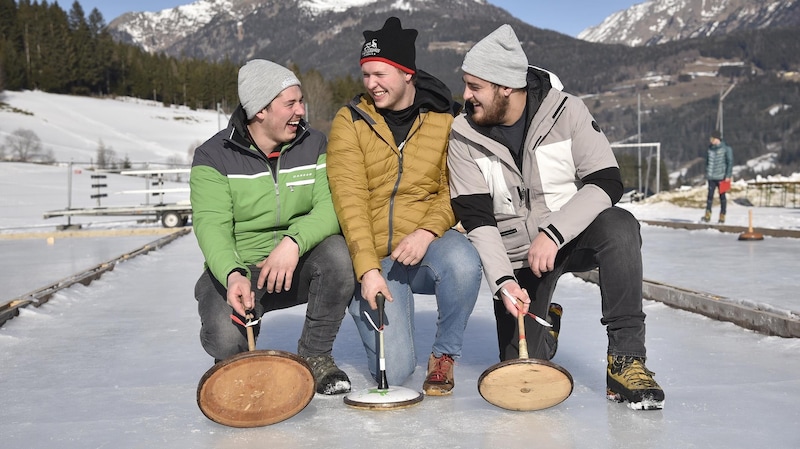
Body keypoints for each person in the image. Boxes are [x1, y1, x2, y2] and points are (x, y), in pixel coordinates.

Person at [446, 24, 665, 410]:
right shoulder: (463, 134)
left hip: (570, 236)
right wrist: (503, 283)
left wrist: (555, 231)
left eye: (474, 86)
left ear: (505, 88)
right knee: (522, 364)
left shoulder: (567, 110)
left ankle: (627, 360)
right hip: (517, 258)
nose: (465, 96)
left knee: (620, 224)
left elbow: (607, 181)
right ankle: (547, 324)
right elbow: (477, 219)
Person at [326, 17, 482, 396]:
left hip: (424, 246)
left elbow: (455, 189)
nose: (371, 84)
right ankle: (375, 307)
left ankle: (444, 355)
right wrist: (366, 271)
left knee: (463, 262)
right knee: (395, 375)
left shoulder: (445, 120)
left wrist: (427, 232)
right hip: (375, 257)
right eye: (365, 75)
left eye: (380, 74)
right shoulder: (350, 121)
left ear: (407, 74)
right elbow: (350, 203)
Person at [190, 59, 355, 395]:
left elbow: (330, 207)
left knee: (338, 255)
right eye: (290, 103)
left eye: (301, 100)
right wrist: (233, 273)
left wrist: (293, 243)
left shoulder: (315, 144)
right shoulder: (213, 156)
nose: (300, 111)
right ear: (260, 111)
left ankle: (315, 356)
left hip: (296, 263)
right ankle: (234, 358)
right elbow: (212, 227)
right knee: (224, 339)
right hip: (241, 271)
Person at [702, 130, 733, 223]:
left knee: (722, 197)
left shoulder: (726, 149)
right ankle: (707, 214)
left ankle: (722, 215)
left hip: (722, 177)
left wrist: (728, 175)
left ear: (717, 139)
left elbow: (729, 163)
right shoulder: (710, 149)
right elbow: (707, 162)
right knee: (709, 196)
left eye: (712, 138)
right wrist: (707, 172)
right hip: (711, 177)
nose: (710, 140)